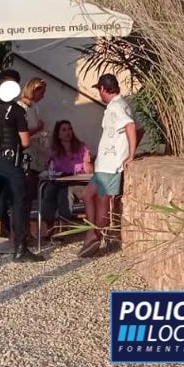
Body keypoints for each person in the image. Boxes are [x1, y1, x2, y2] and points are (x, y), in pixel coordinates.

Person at [0, 72, 45, 263]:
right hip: (10, 162)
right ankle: (20, 249)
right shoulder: (16, 111)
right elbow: (25, 141)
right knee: (18, 204)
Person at [79, 74, 138, 258]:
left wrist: (130, 154)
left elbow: (131, 126)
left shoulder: (118, 107)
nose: (99, 93)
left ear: (104, 89)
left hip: (111, 163)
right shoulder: (116, 106)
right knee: (88, 195)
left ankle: (95, 235)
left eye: (99, 89)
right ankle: (93, 232)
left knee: (102, 199)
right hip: (104, 163)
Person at [39, 120, 92, 240]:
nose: (68, 132)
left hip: (77, 182)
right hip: (60, 181)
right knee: (49, 192)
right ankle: (50, 226)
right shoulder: (54, 150)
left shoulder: (81, 148)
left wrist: (87, 163)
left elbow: (88, 170)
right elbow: (49, 168)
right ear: (58, 134)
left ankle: (63, 228)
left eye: (69, 129)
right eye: (64, 130)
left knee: (64, 193)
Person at [19, 78, 48, 217]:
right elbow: (21, 133)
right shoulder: (22, 108)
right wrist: (37, 129)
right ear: (34, 90)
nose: (43, 96)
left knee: (31, 192)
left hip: (36, 153)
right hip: (26, 154)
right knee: (26, 192)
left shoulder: (34, 107)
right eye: (41, 93)